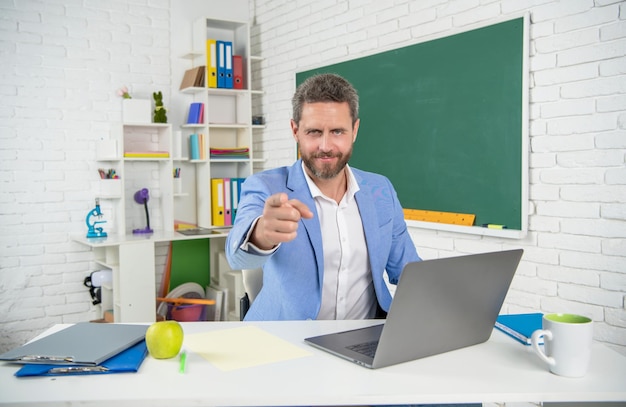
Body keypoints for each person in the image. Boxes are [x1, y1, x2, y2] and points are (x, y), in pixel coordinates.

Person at [226, 73, 421, 321]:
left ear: (355, 130)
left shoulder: (380, 190)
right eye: (314, 132)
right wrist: (262, 233)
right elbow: (236, 256)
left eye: (338, 131)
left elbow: (409, 270)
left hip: (366, 338)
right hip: (288, 342)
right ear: (295, 130)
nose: (326, 146)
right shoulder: (266, 186)